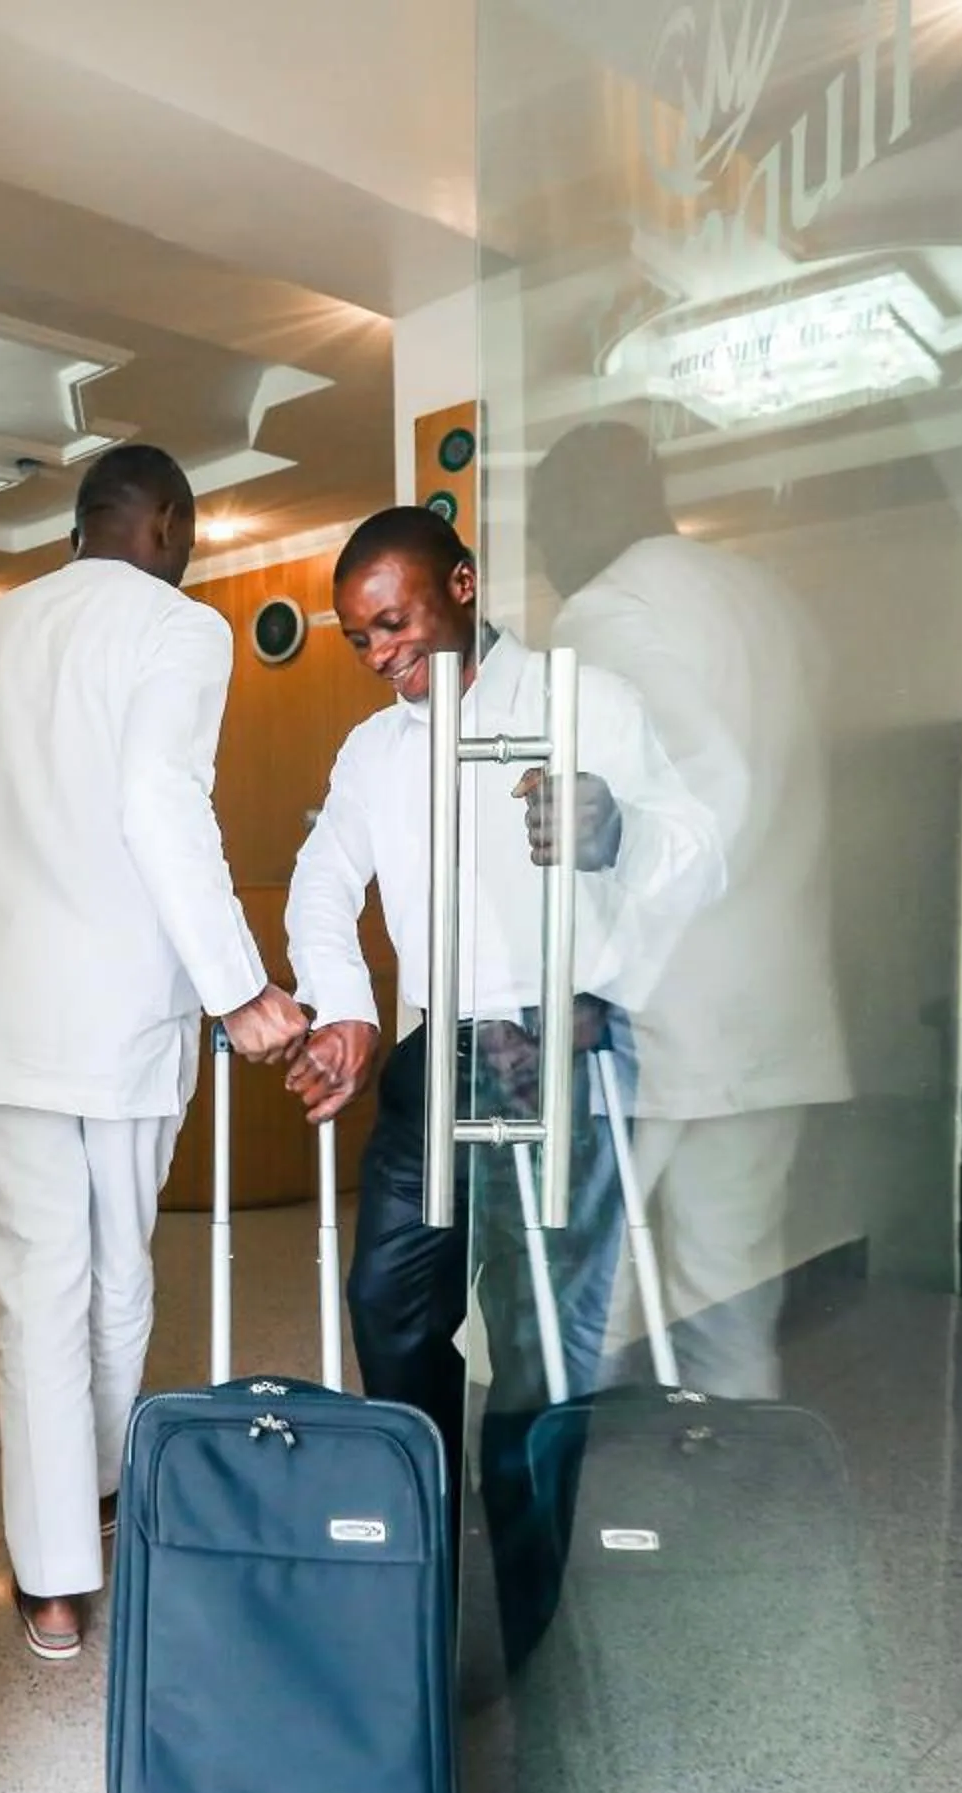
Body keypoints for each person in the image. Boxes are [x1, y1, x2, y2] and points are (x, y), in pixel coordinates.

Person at [280, 507, 720, 1647]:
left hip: (560, 1052)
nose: (379, 654)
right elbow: (322, 880)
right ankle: (419, 1577)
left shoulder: (586, 703)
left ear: (463, 586)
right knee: (388, 1306)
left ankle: (532, 1621)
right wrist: (346, 1007)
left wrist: (617, 830)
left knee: (536, 1350)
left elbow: (702, 851)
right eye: (359, 638)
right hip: (439, 1052)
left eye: (394, 624)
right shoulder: (374, 750)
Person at [0, 443, 308, 1663]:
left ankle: (51, 1585)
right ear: (171, 524)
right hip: (126, 1017)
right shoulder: (180, 628)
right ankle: (95, 1494)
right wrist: (241, 988)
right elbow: (160, 802)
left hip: (5, 1024)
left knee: (38, 1290)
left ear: (79, 523)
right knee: (118, 1271)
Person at [532, 422, 851, 1399]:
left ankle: (582, 1485)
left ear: (582, 509)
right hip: (775, 1005)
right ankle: (732, 1476)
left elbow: (691, 800)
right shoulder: (774, 605)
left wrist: (591, 980)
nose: (542, 552)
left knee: (593, 1292)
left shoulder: (606, 611)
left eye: (544, 524)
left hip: (660, 1014)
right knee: (730, 1289)